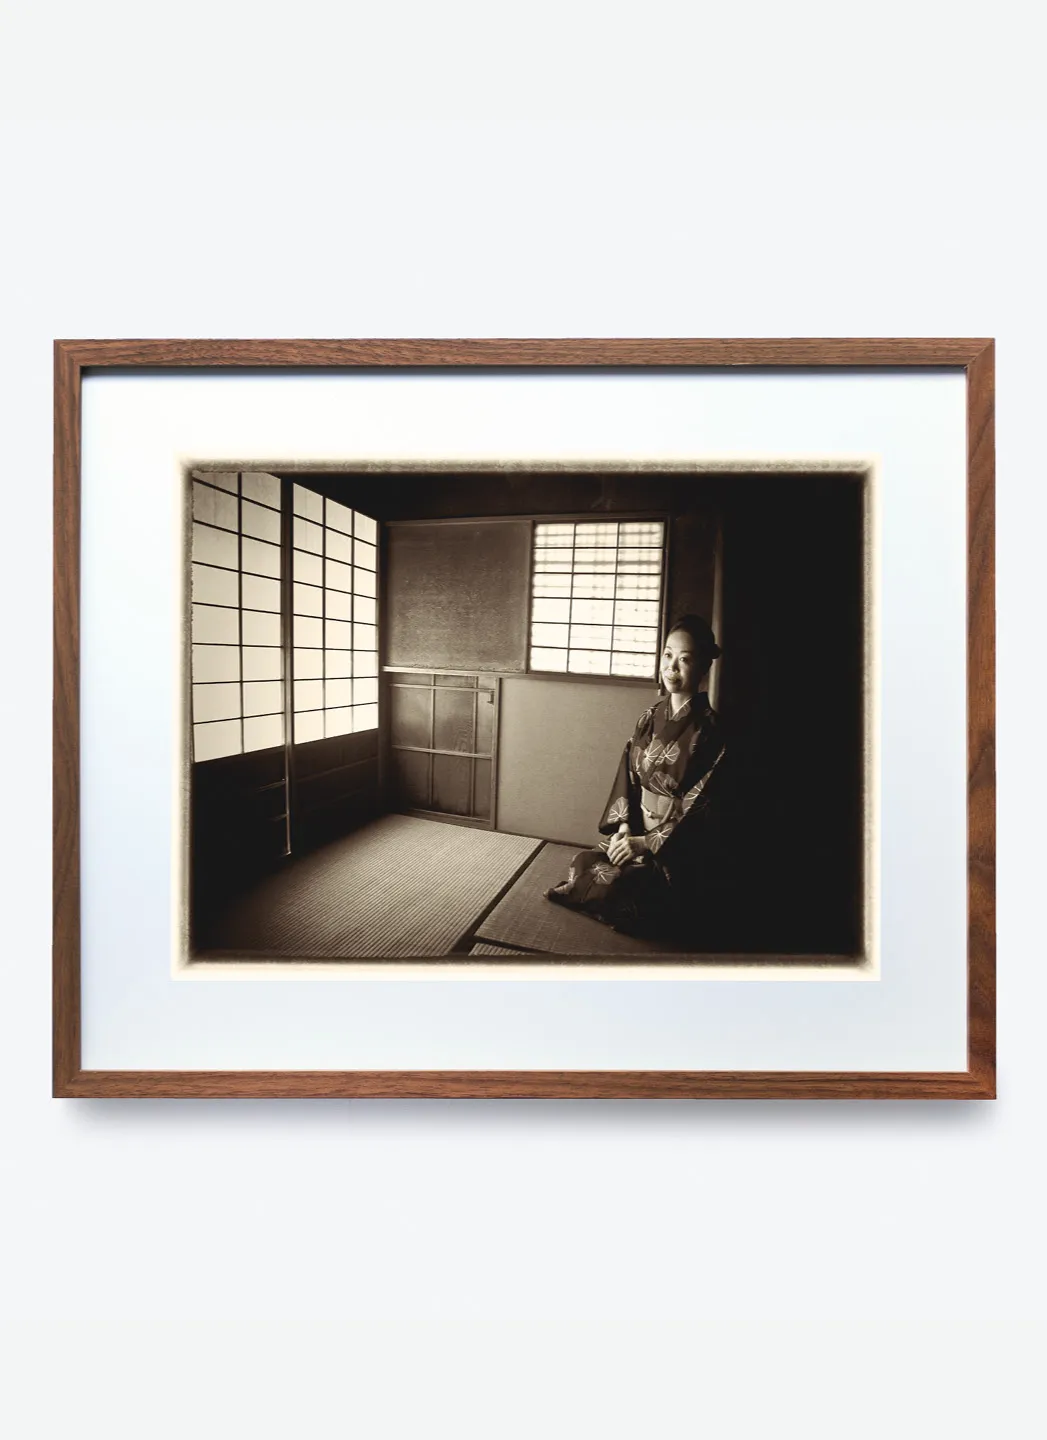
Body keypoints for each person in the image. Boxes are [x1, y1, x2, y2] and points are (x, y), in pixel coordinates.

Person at [546, 614, 728, 942]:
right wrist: (624, 830)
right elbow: (628, 776)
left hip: (675, 850)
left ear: (703, 666)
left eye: (685, 659)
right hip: (637, 832)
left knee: (636, 889)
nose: (672, 667)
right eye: (668, 655)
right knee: (584, 862)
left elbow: (701, 806)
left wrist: (645, 844)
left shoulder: (711, 731)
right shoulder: (649, 718)